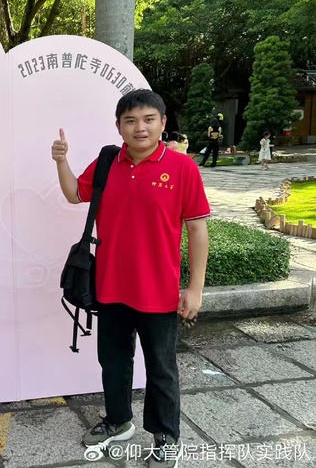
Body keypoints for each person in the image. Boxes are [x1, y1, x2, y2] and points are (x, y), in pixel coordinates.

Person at [51, 89, 210, 468]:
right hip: (111, 287)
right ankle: (119, 420)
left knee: (161, 368)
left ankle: (165, 436)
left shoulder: (182, 168)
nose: (140, 127)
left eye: (148, 119)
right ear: (119, 126)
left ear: (162, 123)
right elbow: (74, 194)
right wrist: (61, 161)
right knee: (114, 362)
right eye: (131, 121)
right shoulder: (108, 162)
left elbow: (197, 229)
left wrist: (195, 288)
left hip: (159, 291)